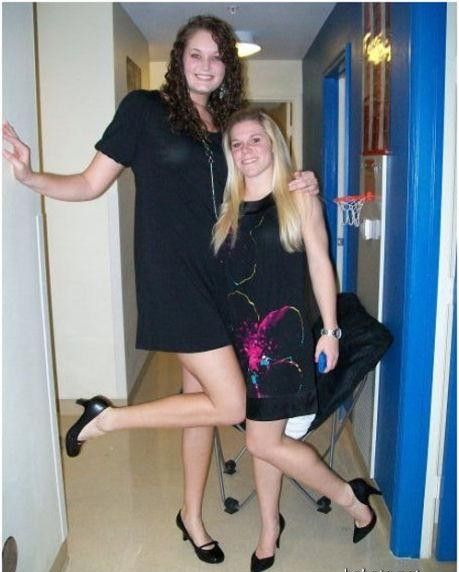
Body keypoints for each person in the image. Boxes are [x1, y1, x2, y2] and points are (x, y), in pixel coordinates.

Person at [3, 15, 319, 565]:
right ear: (179, 59)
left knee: (200, 407)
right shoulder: (144, 110)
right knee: (230, 402)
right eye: (196, 54)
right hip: (174, 279)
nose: (205, 65)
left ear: (227, 68)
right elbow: (89, 183)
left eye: (217, 57)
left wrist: (299, 180)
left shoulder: (224, 126)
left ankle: (191, 516)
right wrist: (32, 179)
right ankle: (107, 417)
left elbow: (257, 179)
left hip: (223, 281)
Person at [213, 109, 381, 572]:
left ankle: (350, 498)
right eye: (237, 144)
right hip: (240, 344)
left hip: (282, 342)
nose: (246, 150)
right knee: (263, 435)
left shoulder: (298, 197)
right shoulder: (227, 206)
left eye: (255, 140)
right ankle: (270, 527)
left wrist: (330, 330)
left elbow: (321, 264)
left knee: (263, 442)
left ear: (274, 143)